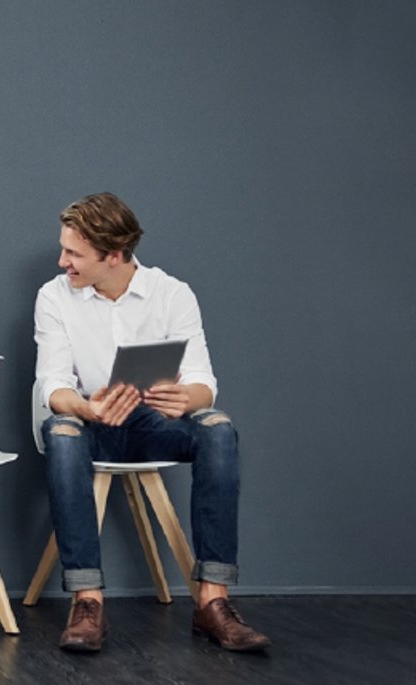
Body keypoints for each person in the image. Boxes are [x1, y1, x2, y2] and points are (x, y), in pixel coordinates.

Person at [35, 192, 270, 653]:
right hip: (91, 426)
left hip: (152, 427)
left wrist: (186, 398)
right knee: (61, 432)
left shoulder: (172, 293)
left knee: (217, 425)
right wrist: (88, 408)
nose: (63, 262)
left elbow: (204, 381)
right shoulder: (54, 297)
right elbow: (53, 385)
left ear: (115, 255)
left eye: (74, 253)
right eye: (64, 249)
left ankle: (212, 601)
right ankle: (87, 602)